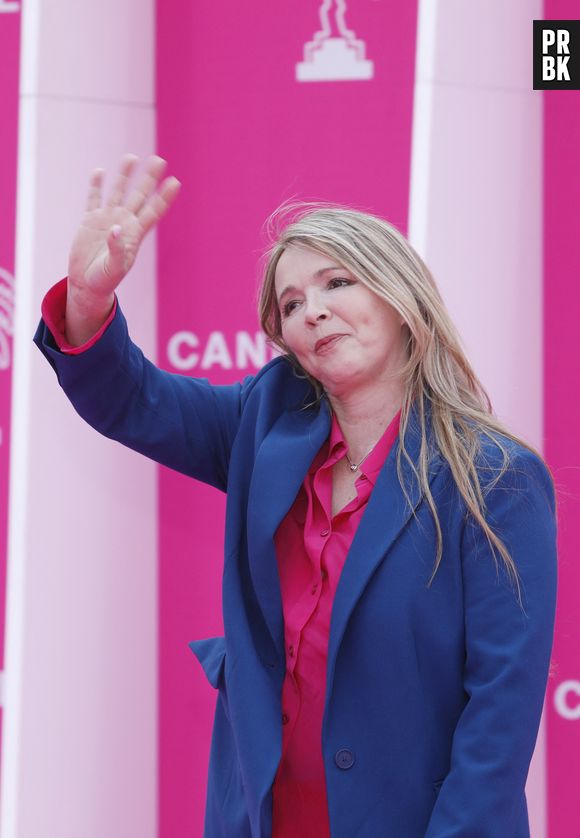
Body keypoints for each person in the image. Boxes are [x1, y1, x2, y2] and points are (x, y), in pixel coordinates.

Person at [34, 154, 558, 838]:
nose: (312, 311)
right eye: (290, 304)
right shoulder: (265, 420)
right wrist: (88, 298)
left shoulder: (496, 477)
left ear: (400, 297)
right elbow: (134, 400)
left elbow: (500, 714)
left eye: (336, 282)